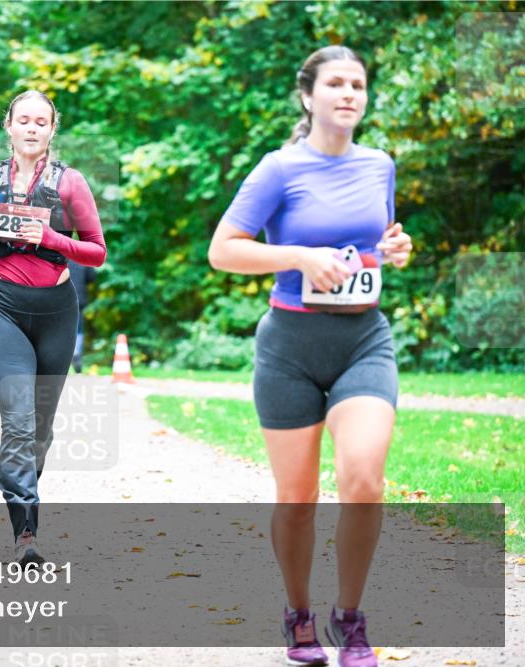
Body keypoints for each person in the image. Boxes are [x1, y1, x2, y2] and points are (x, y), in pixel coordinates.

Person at [207, 46, 413, 667]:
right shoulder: (279, 168)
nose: (349, 93)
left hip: (363, 341)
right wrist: (298, 257)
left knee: (362, 479)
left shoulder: (380, 165)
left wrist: (394, 247)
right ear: (309, 96)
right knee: (296, 499)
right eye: (336, 84)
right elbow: (224, 250)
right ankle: (298, 616)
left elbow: (375, 241)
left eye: (358, 84)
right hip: (290, 348)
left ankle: (350, 619)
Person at [0, 90, 106, 566]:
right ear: (10, 127)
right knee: (17, 419)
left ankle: (25, 490)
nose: (33, 128)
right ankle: (26, 532)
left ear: (52, 130)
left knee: (39, 429)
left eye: (42, 121)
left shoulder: (71, 183)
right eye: (25, 120)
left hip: (56, 311)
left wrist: (53, 238)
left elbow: (97, 251)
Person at [67, 258, 96, 373]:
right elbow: (92, 277)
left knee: (61, 328)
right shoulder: (83, 257)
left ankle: (62, 357)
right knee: (78, 329)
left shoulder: (58, 253)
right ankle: (76, 353)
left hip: (60, 299)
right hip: (78, 300)